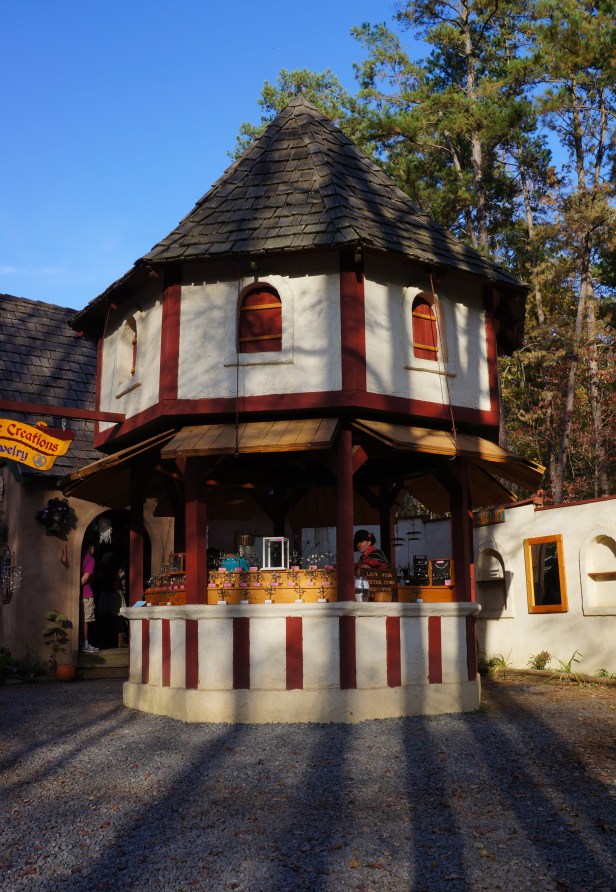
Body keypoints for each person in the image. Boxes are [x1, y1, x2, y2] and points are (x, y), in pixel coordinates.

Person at [80, 541, 100, 653]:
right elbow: (86, 576)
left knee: (82, 619)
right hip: (86, 594)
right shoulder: (90, 559)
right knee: (85, 620)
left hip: (80, 594)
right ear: (91, 547)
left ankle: (82, 643)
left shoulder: (79, 557)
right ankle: (85, 644)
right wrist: (79, 586)